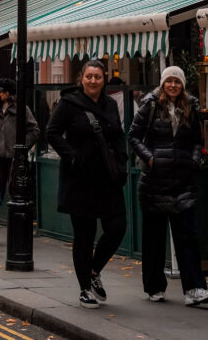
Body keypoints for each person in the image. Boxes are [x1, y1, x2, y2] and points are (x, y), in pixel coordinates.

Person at [129, 65, 208, 307]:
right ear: (163, 83)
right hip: (155, 181)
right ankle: (154, 287)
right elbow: (133, 136)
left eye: (177, 81)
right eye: (169, 81)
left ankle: (195, 288)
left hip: (183, 181)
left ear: (183, 85)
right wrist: (150, 158)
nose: (173, 85)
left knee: (188, 236)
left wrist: (195, 160)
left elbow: (198, 140)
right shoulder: (150, 105)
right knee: (154, 239)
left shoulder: (191, 107)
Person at [48, 58, 128, 309]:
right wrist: (71, 156)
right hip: (80, 179)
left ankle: (94, 271)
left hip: (107, 179)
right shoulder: (69, 104)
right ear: (81, 79)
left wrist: (121, 159)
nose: (93, 81)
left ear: (104, 80)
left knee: (117, 227)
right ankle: (84, 288)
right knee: (84, 236)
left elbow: (118, 135)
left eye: (98, 77)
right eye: (89, 76)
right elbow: (51, 132)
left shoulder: (111, 104)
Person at [0, 77, 39, 242]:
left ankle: (21, 232)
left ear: (7, 94)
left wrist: (22, 147)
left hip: (15, 159)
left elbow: (35, 130)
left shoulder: (22, 109)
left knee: (19, 195)